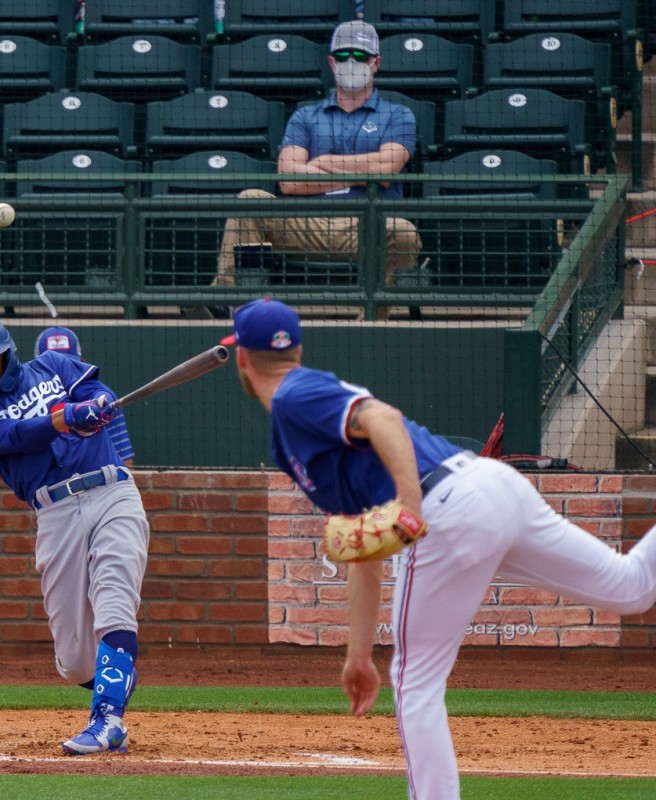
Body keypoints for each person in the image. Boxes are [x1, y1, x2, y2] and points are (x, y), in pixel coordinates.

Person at [222, 297, 656, 799]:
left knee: (415, 682)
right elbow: (364, 543)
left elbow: (380, 417)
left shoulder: (296, 394)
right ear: (295, 347)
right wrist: (357, 655)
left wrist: (410, 504)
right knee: (631, 588)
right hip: (491, 488)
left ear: (243, 358)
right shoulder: (295, 423)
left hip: (446, 506)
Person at [0, 315, 150, 755]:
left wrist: (95, 404)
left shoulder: (55, 365)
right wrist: (64, 418)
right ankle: (113, 681)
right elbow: (18, 435)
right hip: (55, 513)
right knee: (75, 661)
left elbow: (98, 391)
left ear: (7, 352)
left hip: (111, 490)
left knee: (115, 600)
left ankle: (108, 719)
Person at [213, 20, 421, 321]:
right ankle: (229, 304)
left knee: (404, 233)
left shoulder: (398, 114)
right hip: (306, 224)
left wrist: (323, 162)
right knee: (250, 200)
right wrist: (365, 169)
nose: (352, 62)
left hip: (368, 226)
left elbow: (387, 169)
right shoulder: (305, 116)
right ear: (331, 62)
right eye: (344, 55)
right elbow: (288, 181)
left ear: (376, 63)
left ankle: (374, 317)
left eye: (361, 56)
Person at [34, 326, 135, 466]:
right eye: (52, 366)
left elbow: (125, 460)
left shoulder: (102, 399)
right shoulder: (28, 403)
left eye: (68, 364)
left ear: (82, 362)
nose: (61, 371)